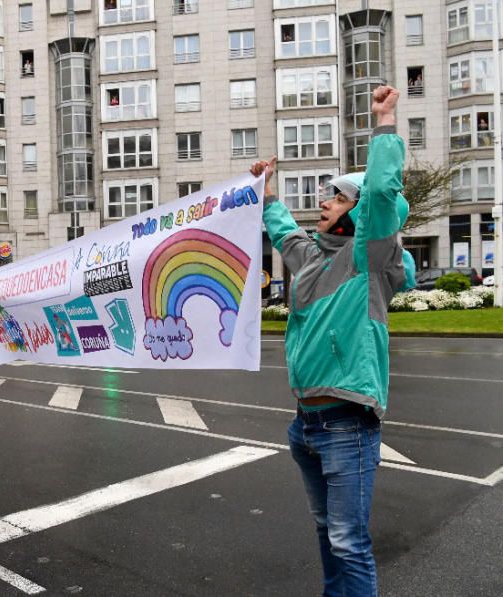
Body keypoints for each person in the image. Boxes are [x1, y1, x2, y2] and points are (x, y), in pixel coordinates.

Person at [250, 85, 412, 596]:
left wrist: (384, 123)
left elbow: (384, 196)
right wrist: (267, 191)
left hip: (346, 425)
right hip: (305, 425)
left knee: (348, 540)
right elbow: (283, 234)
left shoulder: (369, 259)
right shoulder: (313, 258)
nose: (323, 201)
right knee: (328, 534)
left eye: (337, 195)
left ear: (357, 212)